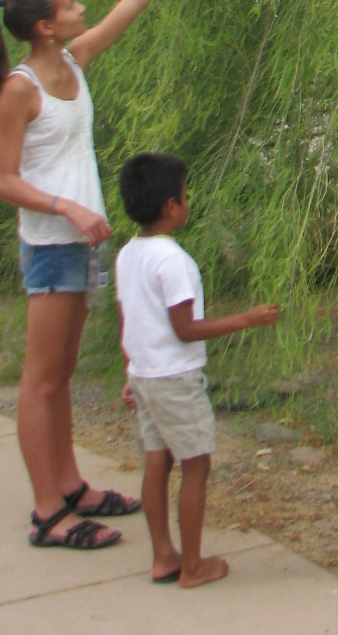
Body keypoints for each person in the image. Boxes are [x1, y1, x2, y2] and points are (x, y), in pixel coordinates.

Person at [0, 0, 185, 551]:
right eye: (70, 4)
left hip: (80, 243)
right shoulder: (22, 88)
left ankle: (71, 485)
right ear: (44, 24)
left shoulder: (74, 61)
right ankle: (48, 512)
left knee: (63, 371)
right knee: (40, 379)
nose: (81, 7)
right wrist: (64, 204)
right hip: (50, 245)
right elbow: (2, 180)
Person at [115, 152, 280, 587]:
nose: (189, 202)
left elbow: (128, 320)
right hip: (174, 378)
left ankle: (163, 556)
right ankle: (192, 566)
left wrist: (131, 371)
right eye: (186, 196)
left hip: (145, 375)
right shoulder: (173, 261)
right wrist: (247, 319)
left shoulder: (128, 255)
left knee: (157, 459)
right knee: (196, 463)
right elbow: (185, 329)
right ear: (172, 206)